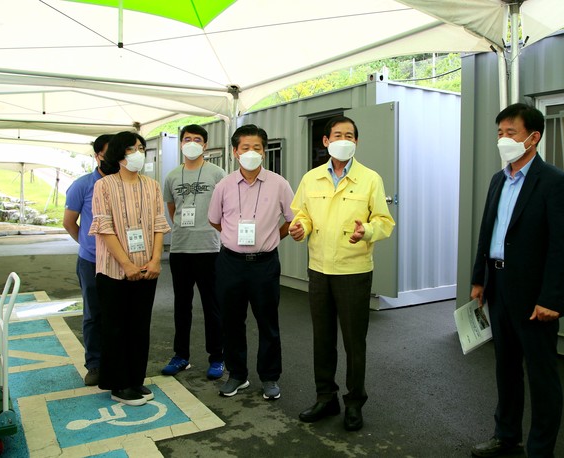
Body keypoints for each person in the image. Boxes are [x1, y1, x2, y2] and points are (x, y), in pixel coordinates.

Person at [469, 103, 564, 458]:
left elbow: (561, 247)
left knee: (542, 376)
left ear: (533, 138)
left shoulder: (556, 182)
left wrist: (551, 298)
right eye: (500, 133)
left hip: (535, 296)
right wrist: (479, 279)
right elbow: (487, 233)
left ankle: (540, 450)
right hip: (499, 287)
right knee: (506, 368)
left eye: (511, 133)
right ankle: (506, 435)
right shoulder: (498, 180)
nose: (503, 139)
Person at [290, 115, 395, 432]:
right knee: (322, 339)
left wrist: (367, 231)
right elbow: (302, 214)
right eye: (338, 135)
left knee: (354, 341)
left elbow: (384, 221)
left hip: (354, 270)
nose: (344, 140)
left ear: (356, 142)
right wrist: (300, 227)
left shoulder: (370, 179)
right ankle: (326, 398)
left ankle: (354, 403)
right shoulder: (311, 178)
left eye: (350, 135)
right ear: (326, 141)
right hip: (319, 269)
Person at [207, 124, 294, 400]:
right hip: (230, 263)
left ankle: (270, 377)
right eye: (245, 148)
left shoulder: (279, 184)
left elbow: (292, 219)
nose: (251, 152)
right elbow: (215, 220)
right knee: (231, 321)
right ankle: (237, 375)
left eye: (257, 147)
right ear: (235, 152)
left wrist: (272, 237)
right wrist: (234, 238)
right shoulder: (224, 185)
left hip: (264, 264)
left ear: (264, 152)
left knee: (268, 322)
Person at [89, 131, 170, 406]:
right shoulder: (104, 185)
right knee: (115, 327)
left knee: (139, 326)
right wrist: (126, 264)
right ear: (119, 154)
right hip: (114, 269)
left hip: (147, 268)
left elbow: (159, 224)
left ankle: (135, 379)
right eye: (132, 148)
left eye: (141, 148)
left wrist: (156, 260)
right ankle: (118, 384)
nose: (138, 153)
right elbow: (104, 228)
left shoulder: (152, 186)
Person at [161, 125, 226, 380]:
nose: (191, 143)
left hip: (209, 248)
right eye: (187, 139)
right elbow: (172, 209)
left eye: (197, 139)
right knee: (181, 306)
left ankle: (217, 357)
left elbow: (225, 207)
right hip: (180, 248)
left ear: (205, 145)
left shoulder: (217, 173)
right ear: (180, 144)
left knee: (212, 306)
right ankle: (181, 356)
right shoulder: (172, 176)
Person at [63, 134, 113, 386]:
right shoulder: (82, 185)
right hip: (91, 261)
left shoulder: (124, 184)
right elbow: (69, 222)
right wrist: (87, 244)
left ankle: (116, 361)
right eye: (108, 153)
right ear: (98, 156)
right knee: (93, 314)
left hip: (121, 262)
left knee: (118, 313)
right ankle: (94, 364)